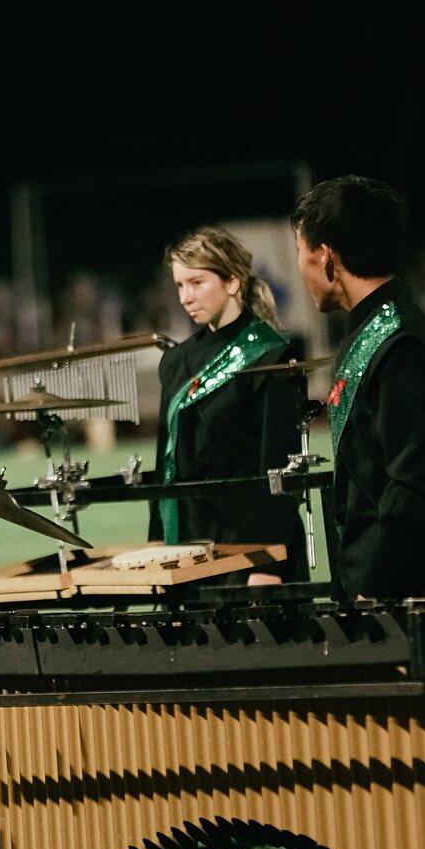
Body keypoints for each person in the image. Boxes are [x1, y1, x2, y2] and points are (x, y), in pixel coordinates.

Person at [292, 176, 425, 600]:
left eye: (300, 255)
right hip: (382, 585)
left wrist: (372, 587)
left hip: (416, 596)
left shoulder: (400, 343)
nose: (300, 270)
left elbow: (415, 483)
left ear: (326, 258)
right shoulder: (368, 330)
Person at [148, 227, 308, 584]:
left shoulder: (272, 355)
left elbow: (280, 467)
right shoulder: (175, 363)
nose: (185, 297)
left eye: (196, 282)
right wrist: (157, 548)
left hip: (251, 550)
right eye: (179, 285)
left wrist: (267, 565)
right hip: (188, 548)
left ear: (232, 282)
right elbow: (166, 468)